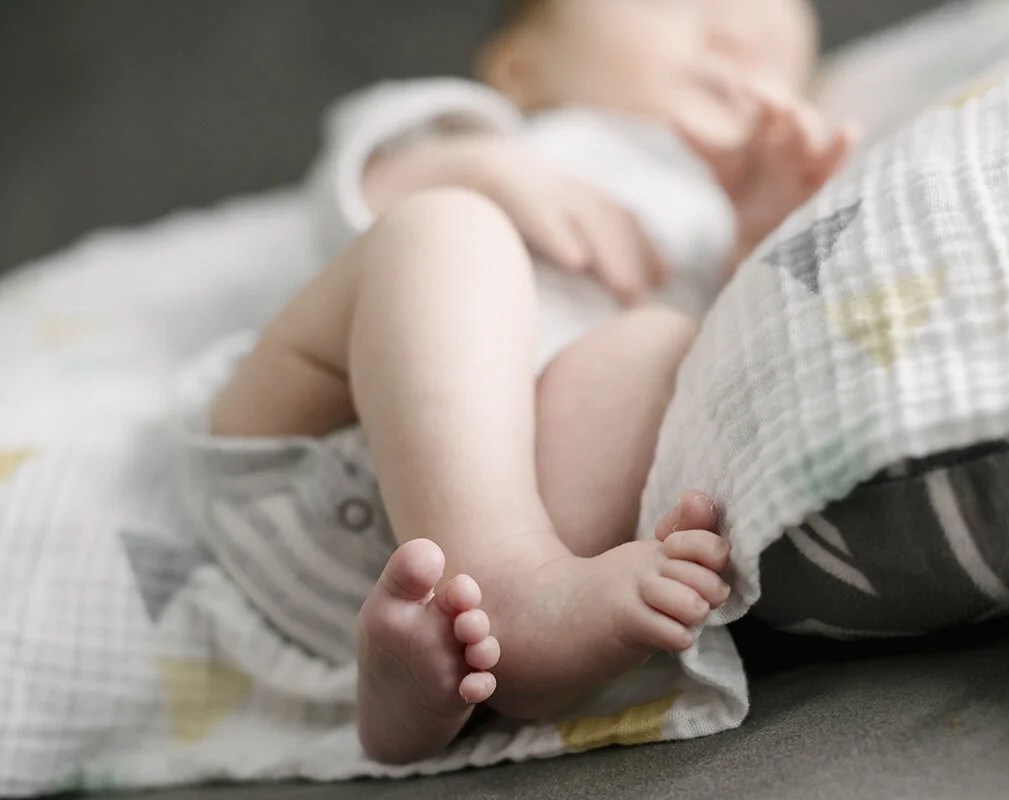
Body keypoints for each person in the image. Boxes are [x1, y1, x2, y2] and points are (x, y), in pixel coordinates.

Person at [204, 0, 854, 765]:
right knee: (444, 226)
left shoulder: (710, 218)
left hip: (474, 553)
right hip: (310, 439)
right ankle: (516, 583)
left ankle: (428, 699)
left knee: (664, 346)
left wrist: (755, 232)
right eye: (686, 7)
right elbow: (357, 191)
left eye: (776, 46)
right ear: (524, 65)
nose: (738, 35)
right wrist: (482, 168)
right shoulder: (479, 127)